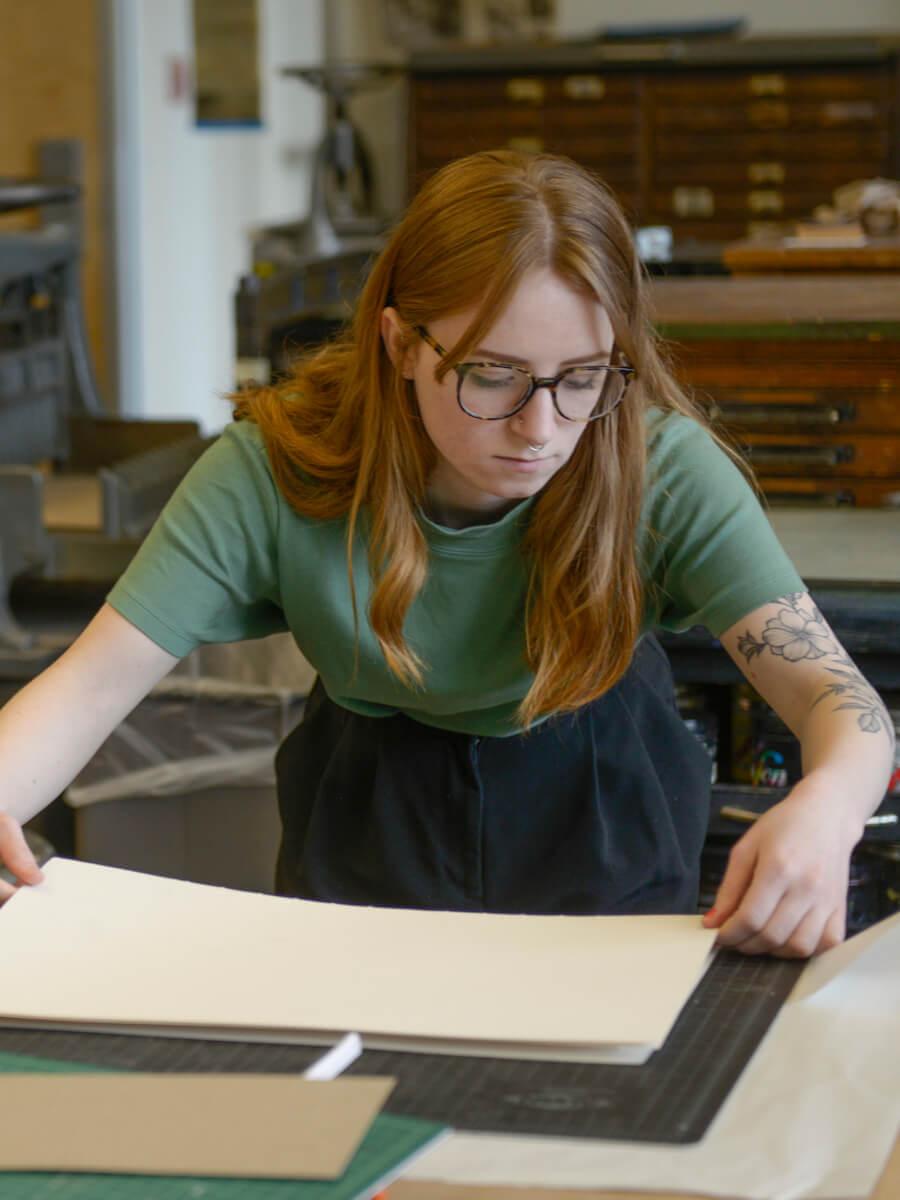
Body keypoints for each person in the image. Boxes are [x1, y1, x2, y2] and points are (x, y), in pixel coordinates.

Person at [0, 151, 892, 957]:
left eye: (582, 379)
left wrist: (828, 805)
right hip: (370, 799)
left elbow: (839, 703)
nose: (540, 430)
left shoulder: (659, 470)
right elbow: (90, 686)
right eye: (492, 374)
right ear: (399, 345)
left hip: (598, 785)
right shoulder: (275, 470)